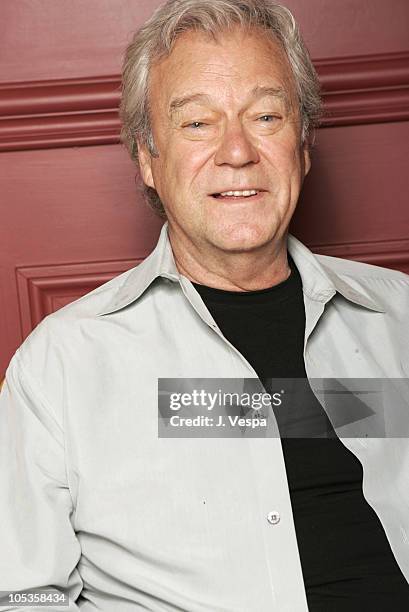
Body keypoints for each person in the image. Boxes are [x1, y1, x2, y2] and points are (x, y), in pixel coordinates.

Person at [1, 0, 409, 610]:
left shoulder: (399, 319)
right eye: (196, 124)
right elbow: (25, 594)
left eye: (266, 116)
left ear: (302, 144)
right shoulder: (62, 365)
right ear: (147, 157)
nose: (237, 151)